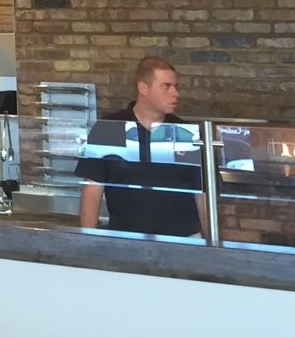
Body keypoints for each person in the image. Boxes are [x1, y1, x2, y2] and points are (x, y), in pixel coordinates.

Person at [76, 57, 209, 239]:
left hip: (183, 238)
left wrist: (210, 244)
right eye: (166, 86)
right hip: (124, 238)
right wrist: (87, 241)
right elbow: (92, 190)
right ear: (143, 88)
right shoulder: (109, 128)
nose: (175, 93)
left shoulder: (185, 132)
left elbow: (201, 195)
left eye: (176, 86)